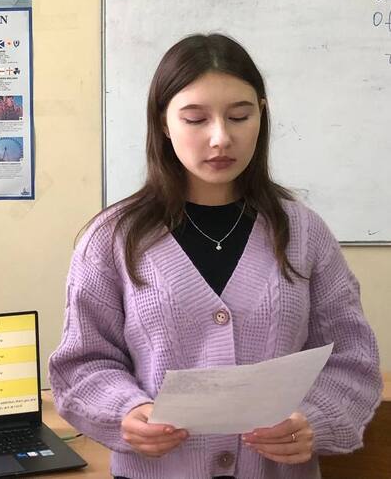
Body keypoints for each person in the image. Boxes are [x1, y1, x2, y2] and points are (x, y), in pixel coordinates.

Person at [49, 33, 381, 479]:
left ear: (261, 115)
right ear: (164, 123)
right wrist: (125, 410)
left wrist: (314, 419)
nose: (221, 138)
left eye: (240, 116)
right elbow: (83, 362)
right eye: (195, 119)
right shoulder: (112, 238)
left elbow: (351, 359)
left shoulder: (303, 233)